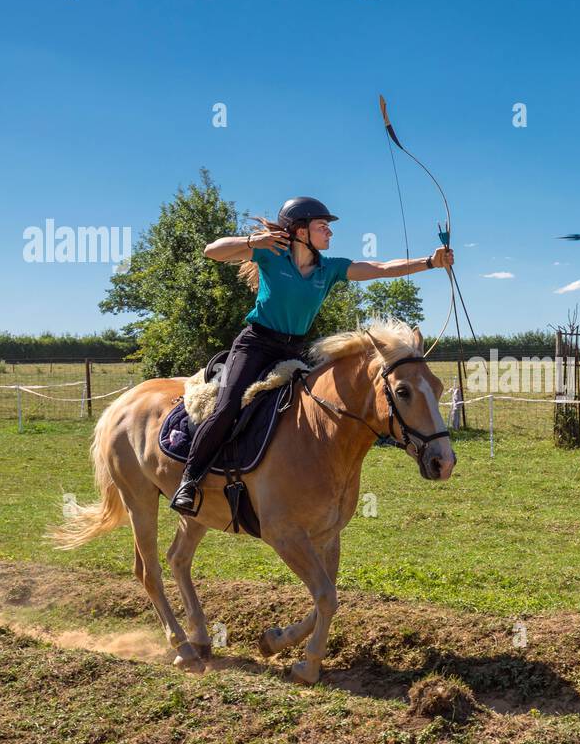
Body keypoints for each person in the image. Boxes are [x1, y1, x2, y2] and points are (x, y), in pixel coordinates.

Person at [169, 196, 452, 515]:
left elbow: (381, 268)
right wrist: (252, 240)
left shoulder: (328, 269)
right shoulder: (271, 253)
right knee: (227, 407)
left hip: (294, 349)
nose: (329, 233)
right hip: (256, 345)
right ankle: (190, 481)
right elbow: (212, 251)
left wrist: (431, 261)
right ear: (300, 232)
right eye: (322, 227)